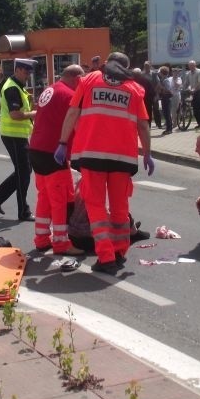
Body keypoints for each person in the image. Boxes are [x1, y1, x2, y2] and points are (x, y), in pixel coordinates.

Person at [56, 52, 153, 273]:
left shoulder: (88, 81)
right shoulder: (134, 89)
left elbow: (72, 113)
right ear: (127, 67)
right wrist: (147, 152)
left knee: (96, 206)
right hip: (123, 158)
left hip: (92, 155)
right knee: (120, 207)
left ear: (107, 63)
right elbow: (144, 126)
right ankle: (119, 252)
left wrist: (62, 142)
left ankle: (106, 257)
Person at [29, 64, 85, 255]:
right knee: (59, 199)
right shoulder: (69, 95)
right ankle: (61, 243)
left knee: (44, 196)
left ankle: (41, 239)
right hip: (53, 152)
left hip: (36, 149)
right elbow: (78, 127)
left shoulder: (49, 90)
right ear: (77, 79)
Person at [0, 59, 37, 221]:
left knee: (24, 171)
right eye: (25, 71)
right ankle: (23, 211)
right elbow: (15, 115)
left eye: (29, 72)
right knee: (24, 173)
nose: (28, 75)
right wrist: (35, 114)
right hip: (13, 135)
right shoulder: (11, 88)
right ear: (17, 70)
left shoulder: (16, 86)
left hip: (18, 135)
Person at [185, 60, 200, 130]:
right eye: (190, 65)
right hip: (194, 93)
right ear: (188, 66)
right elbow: (187, 83)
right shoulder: (188, 74)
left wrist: (194, 89)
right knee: (195, 110)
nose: (191, 67)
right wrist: (184, 88)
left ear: (195, 65)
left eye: (192, 65)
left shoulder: (199, 72)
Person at [142, 61, 162, 129]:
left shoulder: (154, 74)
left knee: (156, 109)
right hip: (146, 95)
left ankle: (159, 124)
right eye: (145, 66)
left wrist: (156, 94)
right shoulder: (142, 74)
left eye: (147, 66)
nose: (146, 67)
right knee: (148, 110)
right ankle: (149, 124)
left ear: (150, 66)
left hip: (154, 94)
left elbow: (158, 84)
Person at [158, 65, 173, 134]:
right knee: (165, 113)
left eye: (160, 72)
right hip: (164, 98)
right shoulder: (163, 80)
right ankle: (168, 128)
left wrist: (161, 87)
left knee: (167, 114)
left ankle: (169, 129)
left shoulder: (166, 80)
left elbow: (168, 89)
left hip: (166, 98)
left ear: (162, 73)